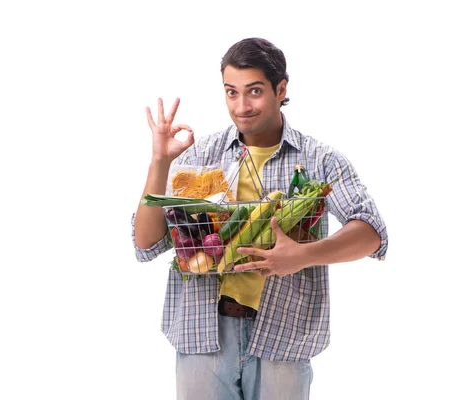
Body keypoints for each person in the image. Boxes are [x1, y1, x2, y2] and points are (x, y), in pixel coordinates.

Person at [131, 37, 388, 400]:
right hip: (203, 331)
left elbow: (371, 232)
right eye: (231, 93)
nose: (242, 106)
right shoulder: (202, 154)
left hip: (283, 334)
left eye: (254, 91)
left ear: (281, 89)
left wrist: (304, 254)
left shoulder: (320, 160)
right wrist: (160, 161)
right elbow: (146, 242)